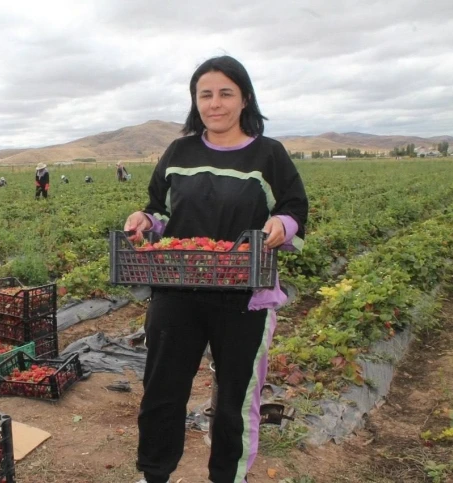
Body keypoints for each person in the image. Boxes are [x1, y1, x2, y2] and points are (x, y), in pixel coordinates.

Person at [124, 55, 308, 483]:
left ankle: (228, 476)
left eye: (226, 93)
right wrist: (143, 220)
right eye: (205, 94)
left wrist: (282, 224)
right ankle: (153, 474)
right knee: (162, 393)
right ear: (195, 100)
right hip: (176, 292)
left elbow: (294, 207)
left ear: (244, 98)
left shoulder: (269, 154)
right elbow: (157, 210)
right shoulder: (178, 151)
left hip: (244, 295)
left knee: (236, 401)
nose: (215, 103)